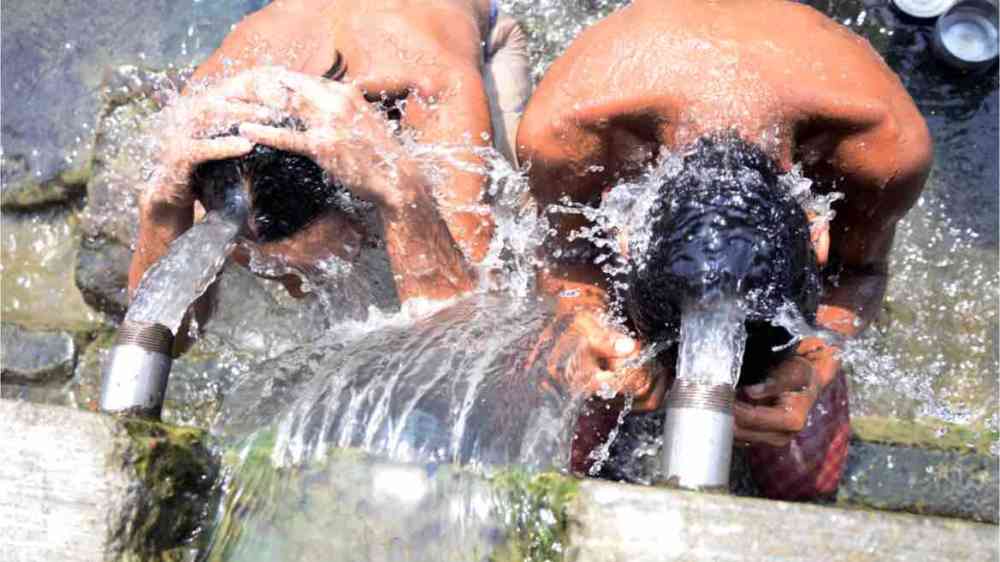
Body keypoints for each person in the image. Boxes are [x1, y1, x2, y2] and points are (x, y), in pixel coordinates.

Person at [516, 0, 932, 499]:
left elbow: (862, 272)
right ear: (625, 237)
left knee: (801, 484)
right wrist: (583, 318)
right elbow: (562, 256)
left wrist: (813, 365)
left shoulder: (882, 141)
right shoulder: (570, 130)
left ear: (816, 233)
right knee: (553, 454)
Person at [128, 0, 532, 338]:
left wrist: (399, 193)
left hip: (476, 38)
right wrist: (160, 208)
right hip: (305, 33)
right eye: (278, 271)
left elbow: (472, 330)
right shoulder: (208, 138)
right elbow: (166, 341)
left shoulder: (428, 93)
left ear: (350, 181)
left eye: (320, 267)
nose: (301, 289)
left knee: (521, 237)